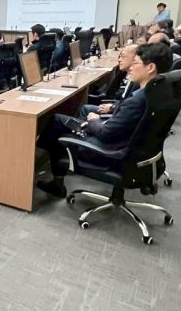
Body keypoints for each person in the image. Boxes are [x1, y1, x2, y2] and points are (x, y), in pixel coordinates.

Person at [36, 43, 173, 198]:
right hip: (128, 148)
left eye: (135, 63)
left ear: (150, 68)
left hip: (109, 153)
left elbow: (106, 133)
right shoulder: (157, 93)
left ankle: (48, 170)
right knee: (65, 120)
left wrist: (93, 122)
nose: (131, 68)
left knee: (56, 124)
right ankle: (53, 168)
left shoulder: (137, 101)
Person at [77, 44, 139, 119]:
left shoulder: (136, 81)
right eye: (120, 56)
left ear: (135, 59)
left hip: (117, 116)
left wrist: (111, 108)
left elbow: (128, 107)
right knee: (86, 108)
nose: (119, 60)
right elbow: (125, 102)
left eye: (123, 56)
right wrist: (113, 106)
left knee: (85, 108)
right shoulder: (127, 75)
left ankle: (82, 126)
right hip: (117, 107)